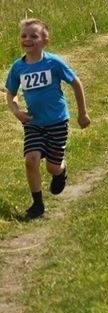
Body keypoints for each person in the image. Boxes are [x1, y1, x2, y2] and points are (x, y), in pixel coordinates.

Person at [4, 18, 90, 219]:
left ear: (45, 41)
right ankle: (37, 205)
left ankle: (60, 171)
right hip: (33, 122)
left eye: (33, 36)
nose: (27, 39)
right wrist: (16, 111)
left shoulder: (53, 63)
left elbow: (76, 82)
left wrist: (82, 112)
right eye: (24, 36)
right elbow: (11, 93)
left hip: (57, 121)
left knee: (52, 166)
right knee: (31, 160)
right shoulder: (18, 67)